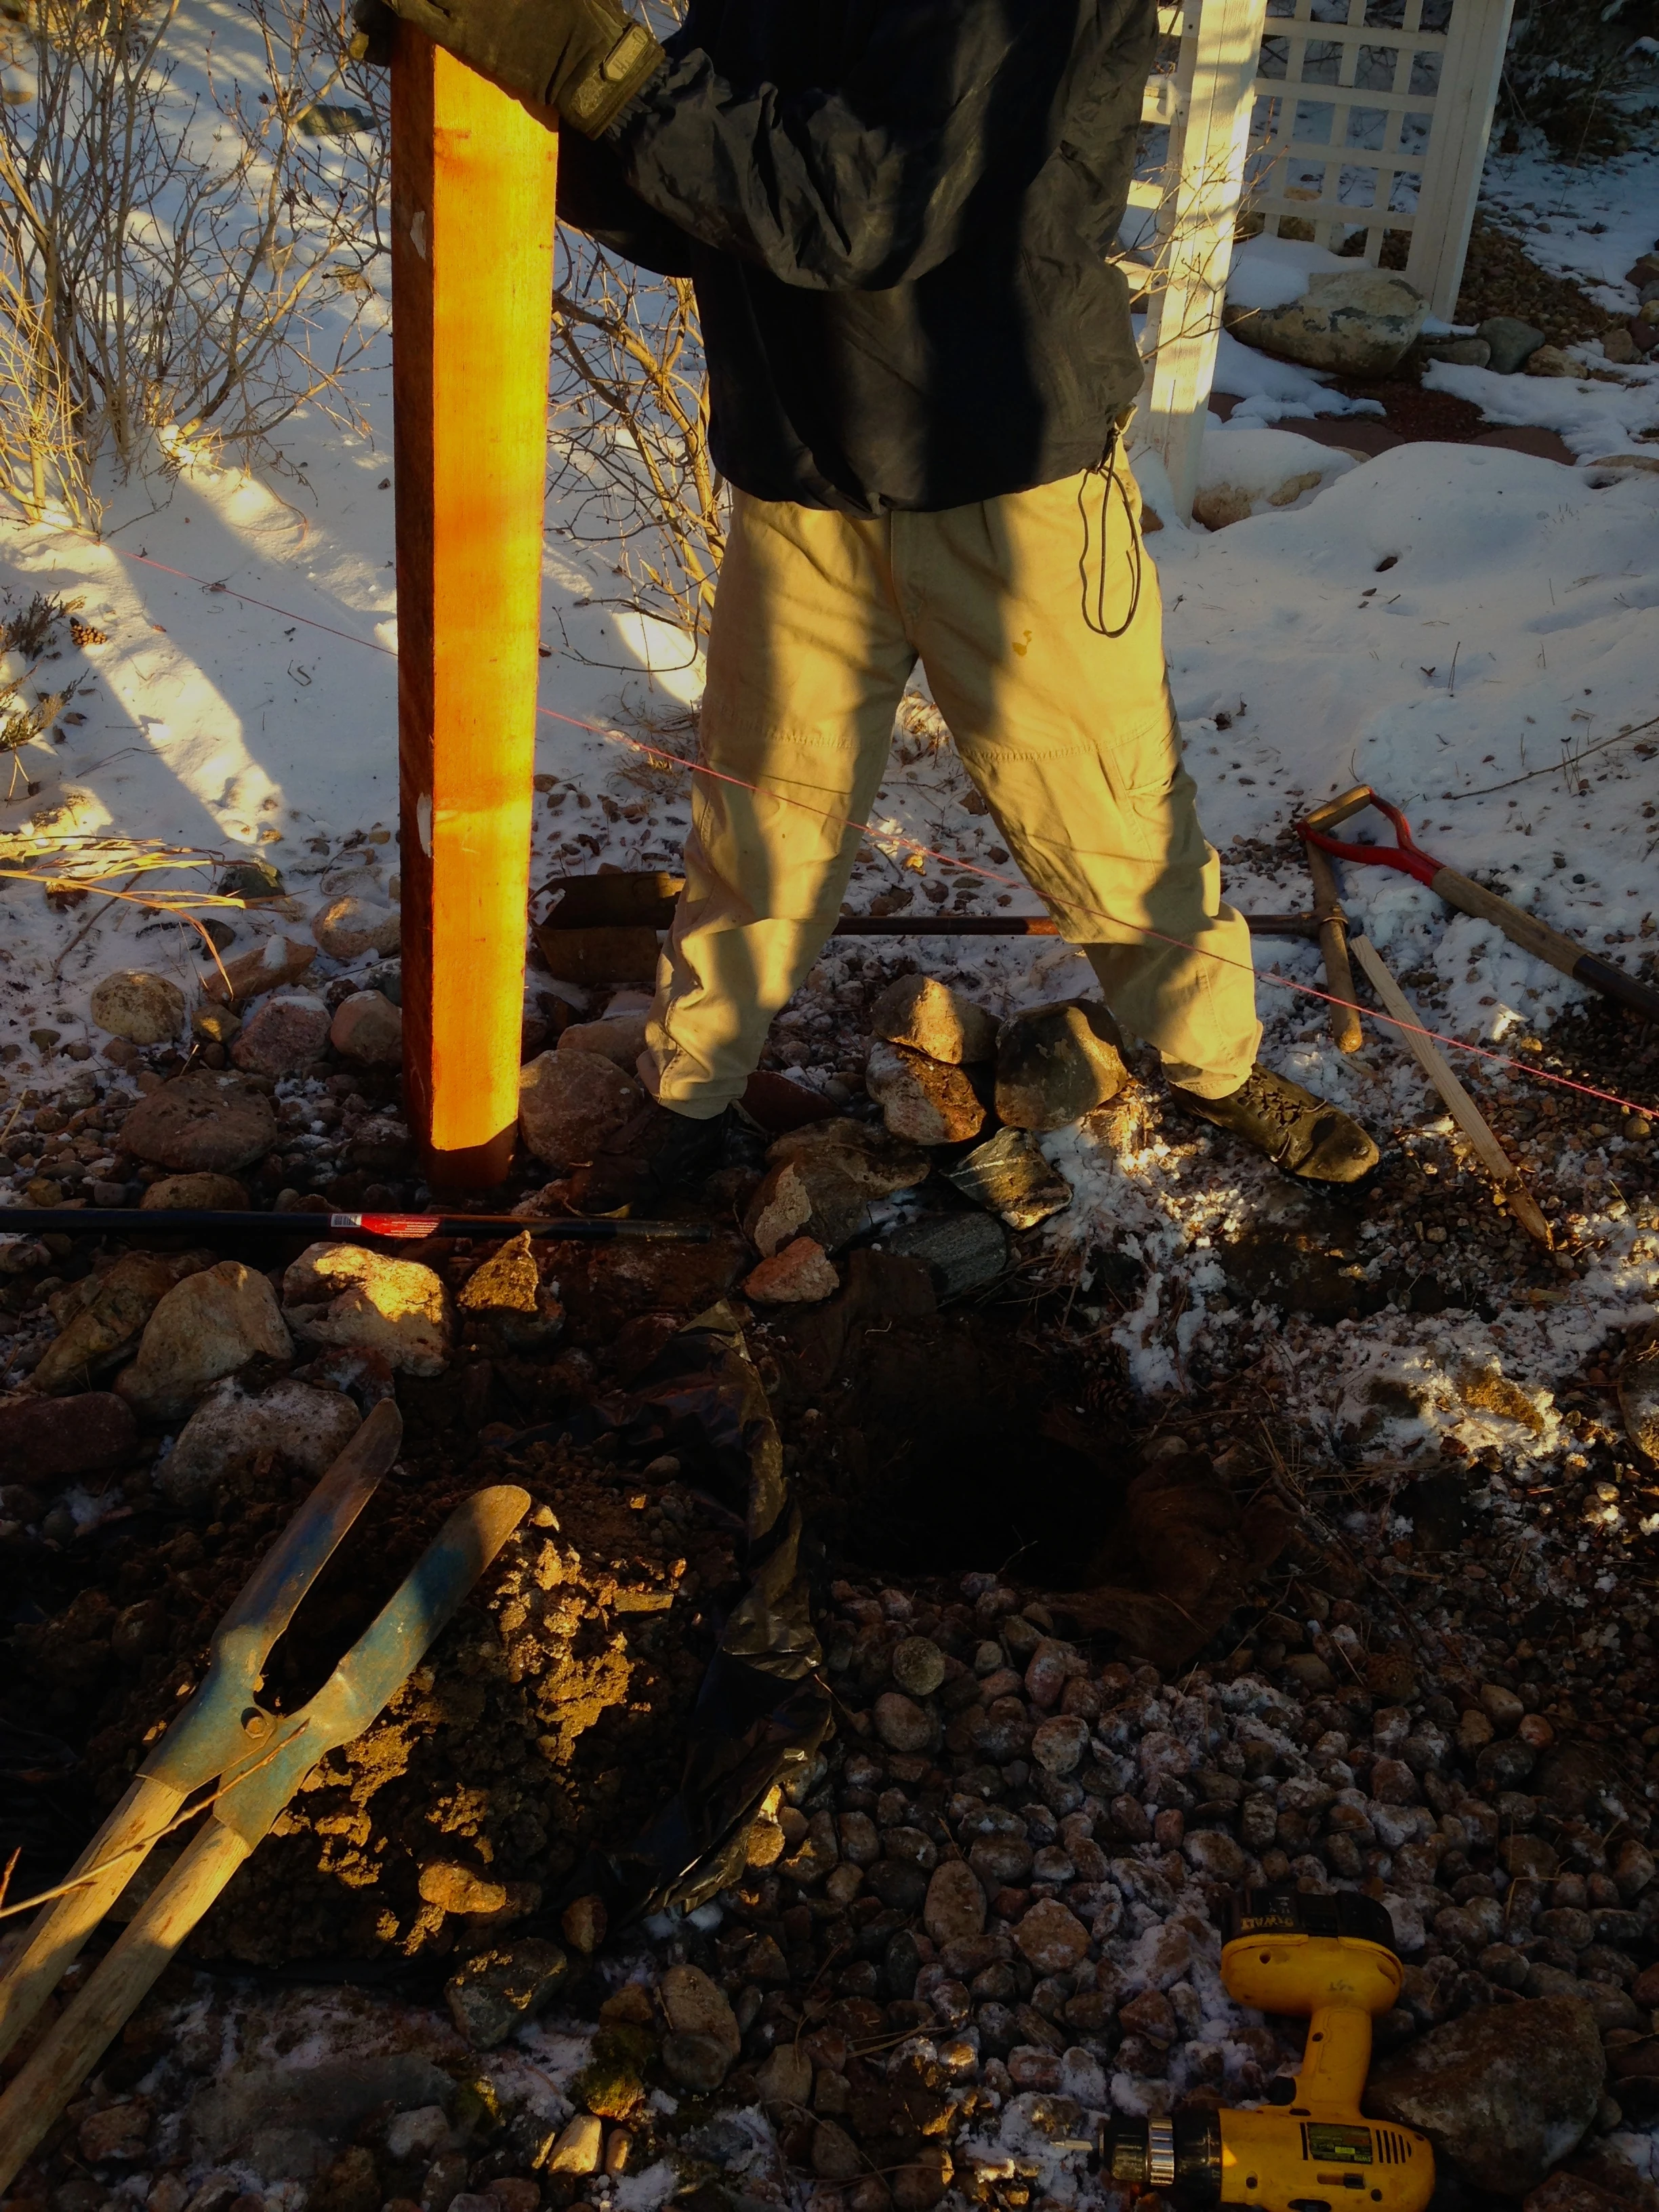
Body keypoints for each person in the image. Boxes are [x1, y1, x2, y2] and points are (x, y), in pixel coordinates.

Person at [354, 0, 1379, 1208]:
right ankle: (691, 1090)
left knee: (1105, 808)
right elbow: (692, 196)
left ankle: (1215, 1064)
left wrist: (601, 67)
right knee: (758, 810)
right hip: (802, 475)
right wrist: (523, 80)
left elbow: (862, 209)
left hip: (1006, 473)